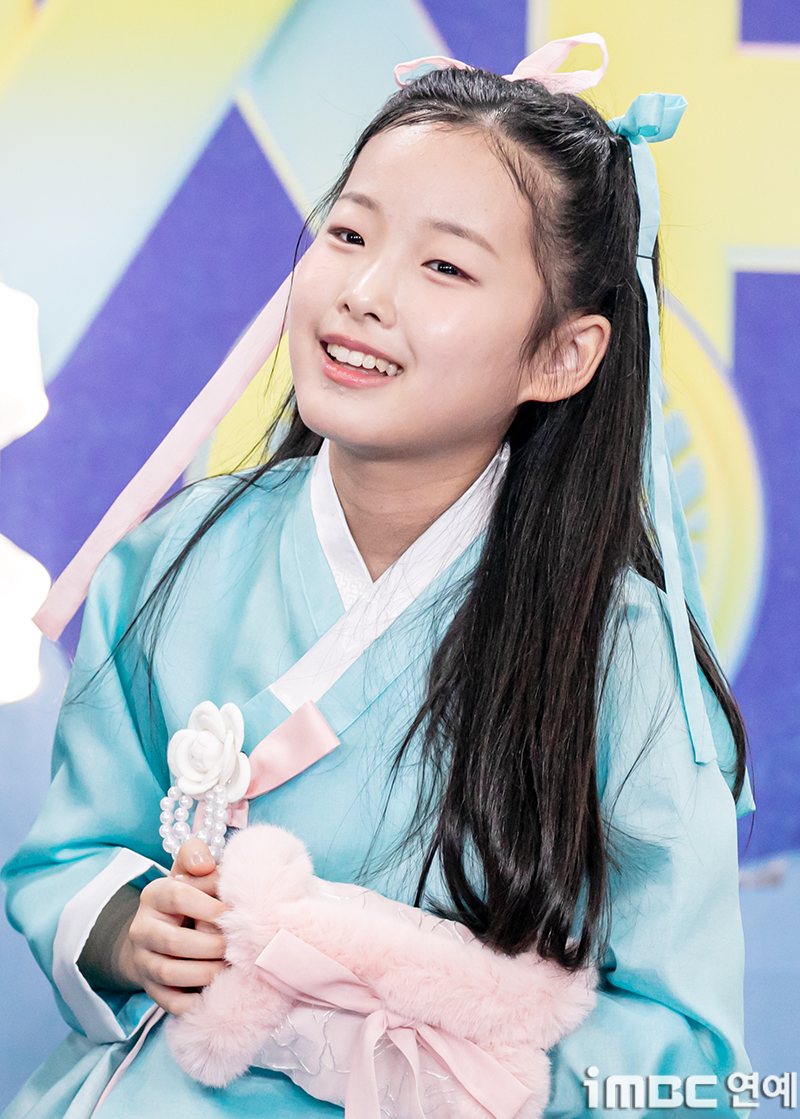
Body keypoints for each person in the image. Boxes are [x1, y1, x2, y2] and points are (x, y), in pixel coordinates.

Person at [2, 41, 753, 1119]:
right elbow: (67, 854)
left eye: (444, 267)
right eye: (349, 234)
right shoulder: (175, 556)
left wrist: (450, 1056)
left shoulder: (618, 650)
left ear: (562, 354)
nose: (361, 293)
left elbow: (685, 1048)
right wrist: (126, 928)